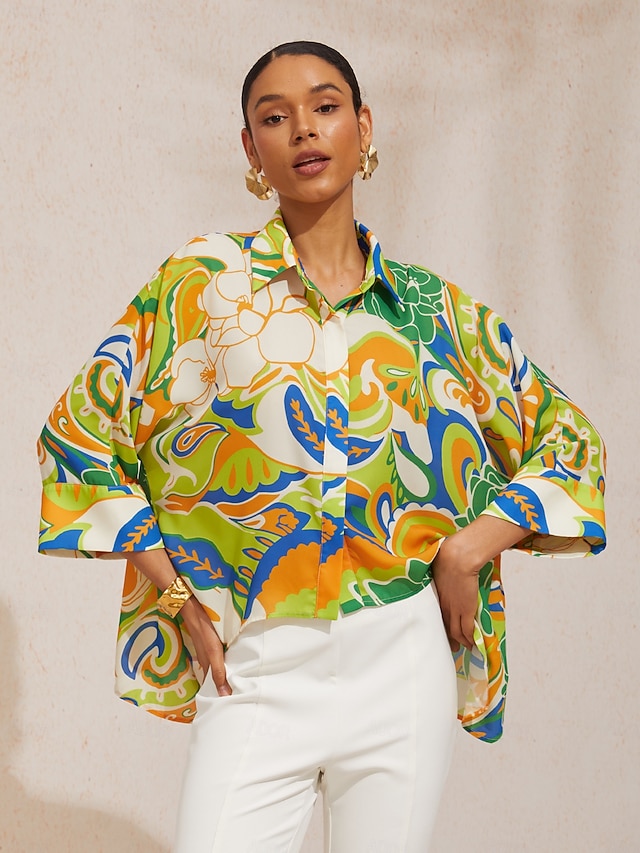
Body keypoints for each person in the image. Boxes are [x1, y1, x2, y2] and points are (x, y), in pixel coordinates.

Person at [37, 41, 606, 853]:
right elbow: (78, 432)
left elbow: (571, 440)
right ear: (251, 148)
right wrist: (175, 596)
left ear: (363, 127)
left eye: (326, 106)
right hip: (260, 661)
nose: (304, 128)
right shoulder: (204, 285)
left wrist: (468, 548)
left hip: (401, 661)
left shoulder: (433, 312)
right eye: (275, 117)